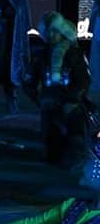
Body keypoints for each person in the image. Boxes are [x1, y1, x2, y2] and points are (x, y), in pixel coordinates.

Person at [25, 11, 91, 169]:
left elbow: (83, 80)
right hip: (50, 99)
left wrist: (72, 99)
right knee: (51, 148)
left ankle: (76, 153)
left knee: (75, 126)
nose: (51, 35)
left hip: (72, 100)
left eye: (55, 31)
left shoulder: (74, 53)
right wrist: (38, 98)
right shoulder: (42, 55)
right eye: (49, 32)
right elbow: (30, 80)